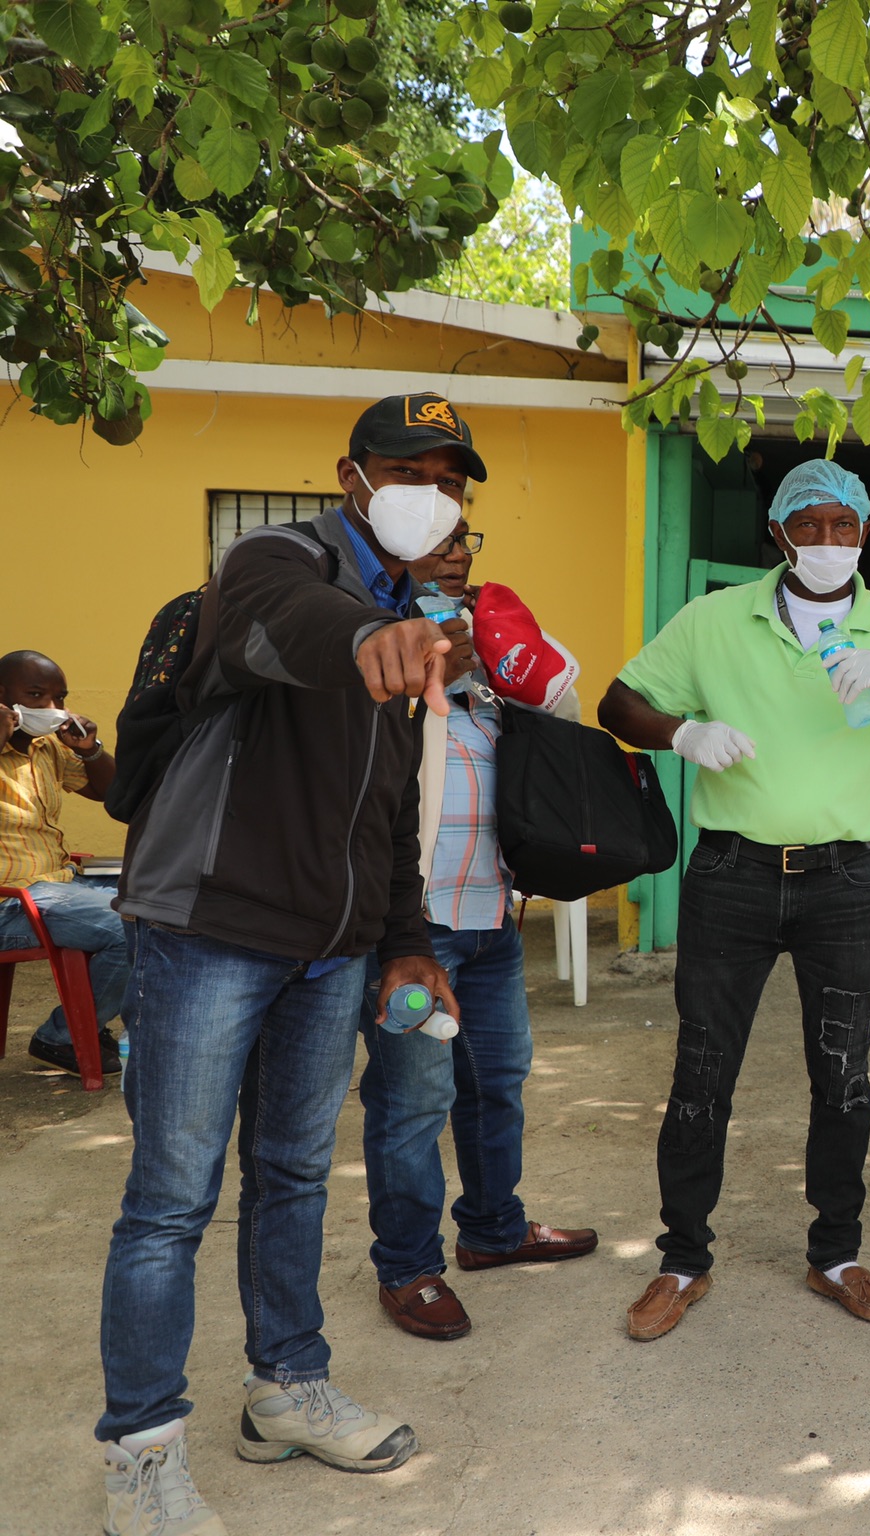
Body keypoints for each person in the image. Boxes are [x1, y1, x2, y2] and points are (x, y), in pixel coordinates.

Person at [96, 392, 471, 1536]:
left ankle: (285, 1389)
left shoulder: (413, 615)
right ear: (352, 475)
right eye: (407, 470)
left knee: (297, 1178)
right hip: (210, 930)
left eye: (450, 480)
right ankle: (141, 1452)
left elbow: (389, 813)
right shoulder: (275, 558)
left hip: (331, 953)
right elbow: (288, 619)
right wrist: (366, 639)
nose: (430, 495)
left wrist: (407, 941)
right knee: (171, 1201)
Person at [602, 459, 870, 1342]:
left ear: (866, 533)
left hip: (846, 882)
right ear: (778, 535)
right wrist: (682, 732)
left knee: (843, 1075)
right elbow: (617, 704)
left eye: (845, 525)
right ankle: (682, 1261)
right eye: (809, 524)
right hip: (732, 874)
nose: (829, 540)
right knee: (702, 1072)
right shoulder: (715, 621)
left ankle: (835, 1254)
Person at [357, 519, 598, 1343]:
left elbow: (565, 705)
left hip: (490, 910)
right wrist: (424, 671)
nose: (457, 551)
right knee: (413, 1102)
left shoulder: (495, 631)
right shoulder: (370, 633)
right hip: (411, 925)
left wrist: (499, 656)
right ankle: (408, 1266)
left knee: (497, 1081)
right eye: (438, 537)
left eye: (466, 537)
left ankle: (494, 1230)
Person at [0, 649, 126, 1077]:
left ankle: (86, 1025)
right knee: (129, 927)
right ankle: (63, 1037)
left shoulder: (46, 747)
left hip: (58, 886)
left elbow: (113, 796)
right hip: (11, 903)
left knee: (160, 908)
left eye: (60, 698)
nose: (52, 708)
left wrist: (90, 750)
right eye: (37, 695)